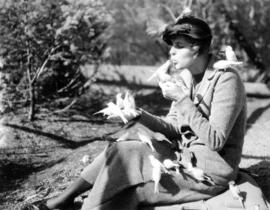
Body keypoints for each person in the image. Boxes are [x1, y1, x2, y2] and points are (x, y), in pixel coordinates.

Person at [44, 14, 247, 210]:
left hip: (210, 171)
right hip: (183, 155)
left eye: (178, 46)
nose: (171, 52)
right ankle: (65, 198)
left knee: (131, 190)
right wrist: (138, 114)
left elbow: (215, 140)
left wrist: (182, 99)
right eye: (171, 47)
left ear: (196, 47)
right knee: (122, 149)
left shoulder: (226, 79)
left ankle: (84, 205)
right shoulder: (186, 77)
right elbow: (174, 126)